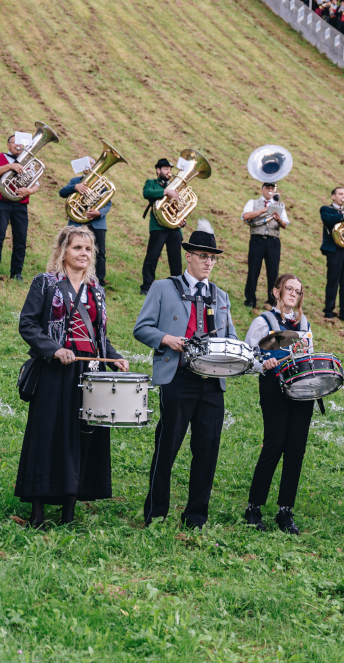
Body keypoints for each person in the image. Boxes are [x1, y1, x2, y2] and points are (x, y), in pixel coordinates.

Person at [16, 225, 128, 528]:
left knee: (82, 438)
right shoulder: (46, 283)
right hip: (55, 372)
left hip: (90, 372)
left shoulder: (96, 290)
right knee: (47, 436)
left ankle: (69, 511)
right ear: (63, 251)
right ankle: (37, 512)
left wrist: (114, 356)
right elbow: (28, 325)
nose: (84, 253)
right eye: (78, 247)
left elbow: (99, 337)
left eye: (88, 249)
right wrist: (53, 349)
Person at [133, 220, 238, 529]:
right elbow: (142, 328)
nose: (209, 262)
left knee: (207, 450)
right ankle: (155, 512)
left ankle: (196, 517)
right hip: (177, 377)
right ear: (189, 255)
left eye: (213, 257)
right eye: (203, 255)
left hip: (212, 382)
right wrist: (166, 339)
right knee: (167, 447)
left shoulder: (221, 296)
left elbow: (230, 339)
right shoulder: (163, 288)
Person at [242, 274, 315, 535]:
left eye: (298, 290)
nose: (294, 294)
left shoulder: (304, 323)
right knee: (274, 445)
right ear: (276, 291)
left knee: (296, 449)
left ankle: (285, 510)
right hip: (274, 387)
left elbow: (308, 355)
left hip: (302, 390)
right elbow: (248, 357)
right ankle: (254, 507)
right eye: (289, 289)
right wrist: (265, 364)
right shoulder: (263, 322)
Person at [0, 132, 41, 281]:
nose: (18, 145)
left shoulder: (28, 160)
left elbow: (36, 184)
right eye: (14, 142)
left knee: (20, 240)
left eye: (20, 143)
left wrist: (28, 191)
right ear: (8, 145)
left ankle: (16, 273)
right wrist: (10, 166)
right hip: (2, 203)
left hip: (20, 205)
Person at [60, 159, 111, 286]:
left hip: (97, 222)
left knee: (100, 253)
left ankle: (99, 281)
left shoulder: (103, 182)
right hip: (77, 221)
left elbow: (108, 203)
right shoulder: (75, 181)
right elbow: (62, 192)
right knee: (70, 248)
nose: (88, 166)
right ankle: (66, 275)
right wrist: (75, 187)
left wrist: (99, 213)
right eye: (86, 164)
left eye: (92, 164)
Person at [140, 158, 186, 296]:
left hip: (173, 228)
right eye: (166, 169)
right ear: (158, 170)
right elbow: (146, 193)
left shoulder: (175, 185)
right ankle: (146, 286)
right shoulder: (152, 183)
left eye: (170, 169)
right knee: (152, 257)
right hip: (158, 227)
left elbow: (181, 206)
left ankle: (178, 288)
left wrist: (182, 220)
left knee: (176, 259)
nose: (169, 171)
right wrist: (166, 192)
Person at [241, 181, 289, 310]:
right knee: (253, 270)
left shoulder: (279, 205)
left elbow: (285, 224)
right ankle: (250, 300)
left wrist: (278, 220)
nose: (270, 190)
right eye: (267, 188)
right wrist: (264, 210)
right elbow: (245, 216)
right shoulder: (253, 202)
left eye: (272, 188)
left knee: (273, 272)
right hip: (257, 239)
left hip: (273, 241)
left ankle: (272, 301)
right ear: (262, 189)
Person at [320, 186, 344, 325]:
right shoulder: (326, 209)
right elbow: (327, 220)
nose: (343, 196)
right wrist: (343, 216)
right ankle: (328, 311)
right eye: (340, 194)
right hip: (334, 250)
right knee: (333, 281)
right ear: (333, 196)